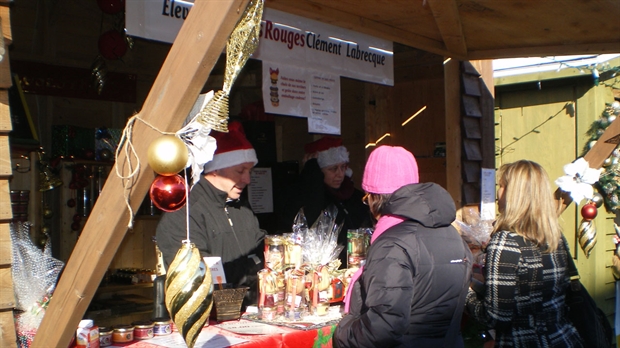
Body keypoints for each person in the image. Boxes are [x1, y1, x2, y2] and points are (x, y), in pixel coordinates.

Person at [333, 145, 473, 348]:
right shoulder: (452, 234)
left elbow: (383, 327)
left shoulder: (392, 244)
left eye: (367, 197)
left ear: (374, 198)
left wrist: (343, 331)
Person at [465, 160, 584, 347]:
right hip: (564, 338)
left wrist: (467, 292)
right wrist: (484, 285)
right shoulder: (554, 235)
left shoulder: (506, 241)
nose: (498, 193)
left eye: (502, 186)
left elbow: (496, 318)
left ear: (515, 195)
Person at [156, 121, 265, 308]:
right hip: (207, 323)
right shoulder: (185, 214)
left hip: (250, 315)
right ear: (215, 169)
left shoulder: (242, 208)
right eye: (240, 171)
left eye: (249, 171)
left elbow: (265, 253)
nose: (247, 179)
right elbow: (198, 277)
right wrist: (252, 268)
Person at [277, 136, 371, 267]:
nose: (340, 174)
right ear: (318, 171)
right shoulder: (306, 195)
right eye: (333, 169)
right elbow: (310, 210)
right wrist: (312, 173)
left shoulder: (354, 196)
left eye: (343, 167)